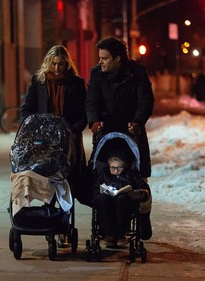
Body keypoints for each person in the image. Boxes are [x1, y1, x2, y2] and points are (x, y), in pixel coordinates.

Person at [85, 36, 154, 239]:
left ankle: (143, 214)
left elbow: (146, 100)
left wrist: (138, 121)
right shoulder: (97, 74)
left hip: (132, 130)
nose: (101, 62)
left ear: (118, 59)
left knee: (138, 175)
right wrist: (94, 121)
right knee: (105, 174)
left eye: (105, 58)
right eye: (100, 58)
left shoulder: (137, 72)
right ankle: (109, 225)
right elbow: (91, 101)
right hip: (106, 131)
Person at [20, 45, 88, 248]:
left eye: (61, 64)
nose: (57, 68)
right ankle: (49, 224)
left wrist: (71, 130)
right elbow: (27, 108)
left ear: (67, 63)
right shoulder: (38, 81)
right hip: (44, 142)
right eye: (54, 63)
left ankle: (65, 229)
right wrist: (31, 127)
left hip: (68, 142)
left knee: (67, 185)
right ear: (48, 63)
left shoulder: (76, 84)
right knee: (47, 183)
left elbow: (83, 114)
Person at [92, 152, 152, 248]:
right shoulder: (104, 175)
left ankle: (121, 233)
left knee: (121, 199)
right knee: (103, 199)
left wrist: (138, 193)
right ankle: (108, 233)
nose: (116, 171)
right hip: (107, 203)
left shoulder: (131, 174)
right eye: (113, 168)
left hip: (124, 204)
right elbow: (95, 191)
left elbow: (144, 188)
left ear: (124, 166)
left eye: (119, 168)